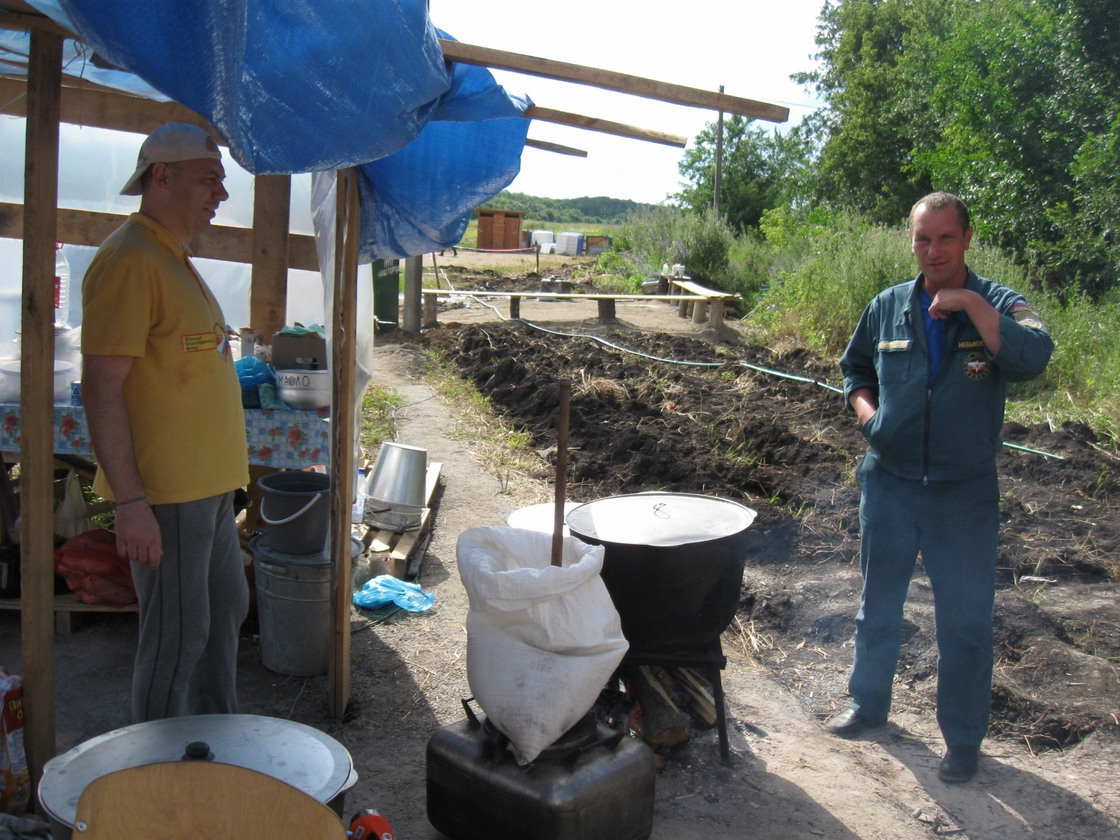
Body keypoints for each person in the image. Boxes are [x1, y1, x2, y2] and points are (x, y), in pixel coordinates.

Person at [828, 192, 1053, 783]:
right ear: (911, 240)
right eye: (922, 239)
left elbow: (1034, 358)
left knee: (966, 621)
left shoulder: (1000, 303)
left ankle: (962, 740)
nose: (933, 250)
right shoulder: (887, 306)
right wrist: (867, 415)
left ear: (967, 239)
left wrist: (975, 306)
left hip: (964, 494)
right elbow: (855, 370)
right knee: (877, 608)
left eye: (945, 238)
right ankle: (869, 705)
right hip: (890, 484)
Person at [81, 122, 249, 722]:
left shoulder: (170, 256)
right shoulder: (130, 259)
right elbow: (101, 388)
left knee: (224, 608)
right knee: (178, 637)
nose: (220, 195)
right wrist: (130, 503)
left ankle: (212, 747)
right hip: (168, 494)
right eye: (210, 180)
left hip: (208, 489)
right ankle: (154, 778)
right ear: (163, 177)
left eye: (222, 182)